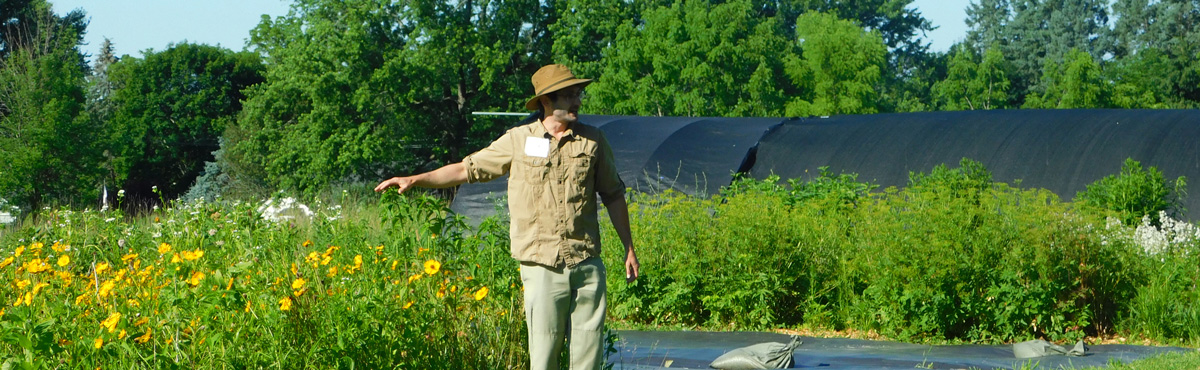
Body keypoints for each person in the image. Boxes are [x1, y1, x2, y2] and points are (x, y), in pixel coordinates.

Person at [374, 64, 640, 370]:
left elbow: (613, 194)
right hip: (541, 266)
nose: (578, 101)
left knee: (588, 361)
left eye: (578, 94)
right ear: (546, 101)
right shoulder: (517, 140)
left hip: (587, 263)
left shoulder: (593, 141)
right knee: (543, 359)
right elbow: (466, 169)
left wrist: (628, 248)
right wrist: (416, 179)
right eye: (569, 96)